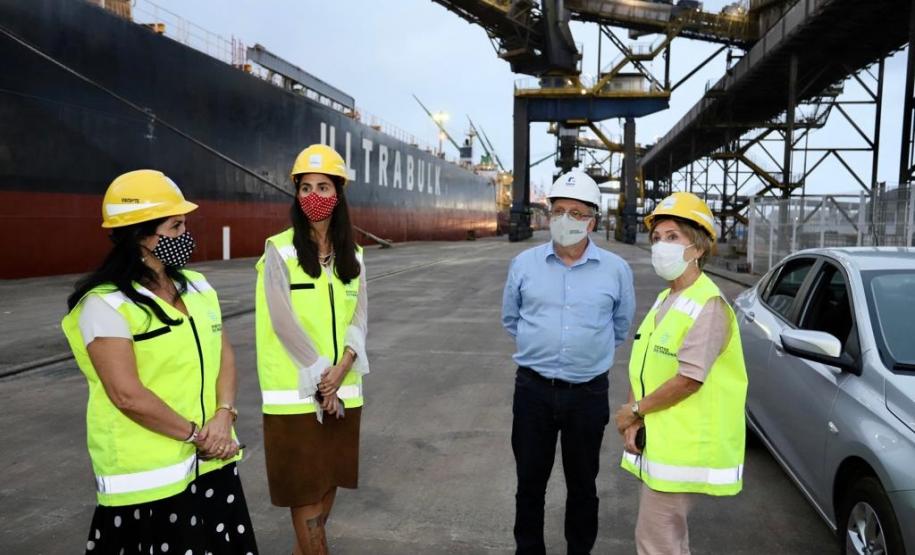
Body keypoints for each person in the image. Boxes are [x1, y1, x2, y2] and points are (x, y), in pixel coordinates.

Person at [61, 170, 258, 554]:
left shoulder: (198, 285)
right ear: (141, 235)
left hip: (212, 468)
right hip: (147, 485)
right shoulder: (104, 305)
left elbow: (224, 353)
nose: (185, 234)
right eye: (176, 225)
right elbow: (126, 395)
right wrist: (199, 436)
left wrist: (225, 414)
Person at [501, 170, 636, 555]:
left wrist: (584, 352)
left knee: (583, 485)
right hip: (533, 391)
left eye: (577, 213)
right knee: (529, 483)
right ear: (548, 215)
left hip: (588, 393)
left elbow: (620, 326)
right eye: (559, 210)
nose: (567, 220)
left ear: (593, 219)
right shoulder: (524, 264)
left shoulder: (616, 270)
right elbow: (512, 319)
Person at [613, 192, 748, 555]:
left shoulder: (709, 304)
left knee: (656, 544)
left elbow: (689, 379)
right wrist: (633, 419)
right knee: (666, 542)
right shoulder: (666, 298)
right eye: (657, 238)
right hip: (663, 438)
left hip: (685, 447)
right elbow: (644, 363)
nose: (661, 246)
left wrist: (635, 411)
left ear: (698, 247)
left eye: (673, 237)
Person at [255, 144, 369, 554]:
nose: (312, 196)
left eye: (322, 186)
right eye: (304, 188)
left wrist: (344, 366)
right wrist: (324, 375)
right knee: (304, 492)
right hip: (296, 398)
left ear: (338, 193)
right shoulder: (279, 250)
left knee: (328, 484)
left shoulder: (353, 254)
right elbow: (282, 320)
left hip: (342, 391)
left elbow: (359, 317)